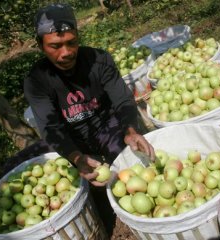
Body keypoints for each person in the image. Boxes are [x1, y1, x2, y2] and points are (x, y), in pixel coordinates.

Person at [24, 3, 155, 235]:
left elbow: (123, 100)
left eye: (71, 42)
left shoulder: (99, 60)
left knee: (130, 162)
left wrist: (130, 130)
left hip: (107, 125)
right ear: (40, 46)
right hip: (72, 138)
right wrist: (75, 156)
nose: (66, 52)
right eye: (55, 46)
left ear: (78, 37)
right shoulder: (37, 80)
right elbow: (50, 126)